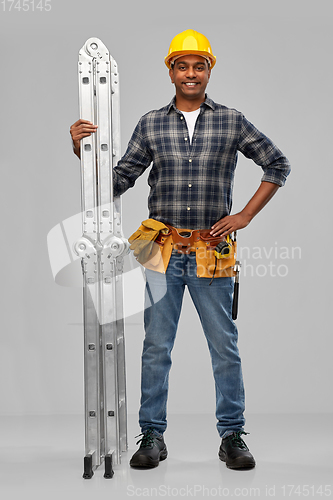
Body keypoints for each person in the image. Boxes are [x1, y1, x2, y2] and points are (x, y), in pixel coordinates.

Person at [70, 29, 291, 470]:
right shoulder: (152, 123)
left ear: (209, 70)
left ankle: (232, 436)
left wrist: (244, 215)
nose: (191, 73)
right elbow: (115, 182)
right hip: (161, 249)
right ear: (170, 71)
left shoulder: (231, 120)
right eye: (182, 65)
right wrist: (82, 149)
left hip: (212, 251)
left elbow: (277, 164)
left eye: (199, 65)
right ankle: (152, 435)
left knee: (224, 346)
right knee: (156, 345)